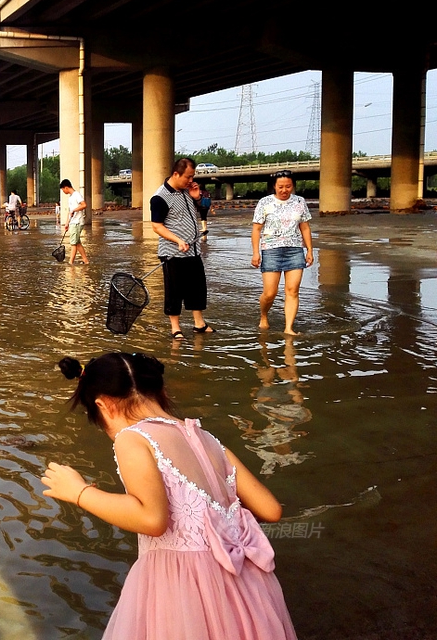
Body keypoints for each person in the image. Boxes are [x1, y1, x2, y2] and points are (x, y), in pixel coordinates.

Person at [42, 352, 297, 640]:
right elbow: (271, 509)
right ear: (160, 391)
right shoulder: (207, 438)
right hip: (246, 584)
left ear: (103, 405)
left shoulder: (133, 438)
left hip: (184, 585)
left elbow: (151, 519)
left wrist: (80, 492)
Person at [150, 157, 213, 340]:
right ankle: (175, 328)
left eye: (192, 176)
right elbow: (157, 226)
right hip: (173, 253)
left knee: (198, 288)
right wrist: (177, 240)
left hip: (193, 249)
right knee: (174, 291)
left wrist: (197, 197)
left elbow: (202, 210)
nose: (191, 180)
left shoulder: (187, 191)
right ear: (176, 174)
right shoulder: (159, 197)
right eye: (188, 177)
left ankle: (199, 324)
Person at [251, 170, 313, 335]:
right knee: (270, 293)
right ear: (274, 187)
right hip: (271, 251)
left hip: (295, 250)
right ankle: (264, 315)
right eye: (281, 187)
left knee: (292, 290)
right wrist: (256, 253)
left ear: (293, 186)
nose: (284, 190)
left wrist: (310, 250)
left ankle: (288, 328)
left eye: (288, 186)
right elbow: (256, 229)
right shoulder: (264, 203)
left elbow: (305, 227)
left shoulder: (300, 201)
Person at [59, 179, 89, 265]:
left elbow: (84, 205)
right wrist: (67, 223)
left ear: (66, 187)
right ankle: (86, 261)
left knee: (73, 243)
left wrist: (74, 210)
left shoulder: (77, 195)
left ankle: (70, 263)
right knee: (77, 243)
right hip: (72, 222)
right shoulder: (71, 197)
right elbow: (70, 211)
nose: (63, 191)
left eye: (63, 190)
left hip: (77, 222)